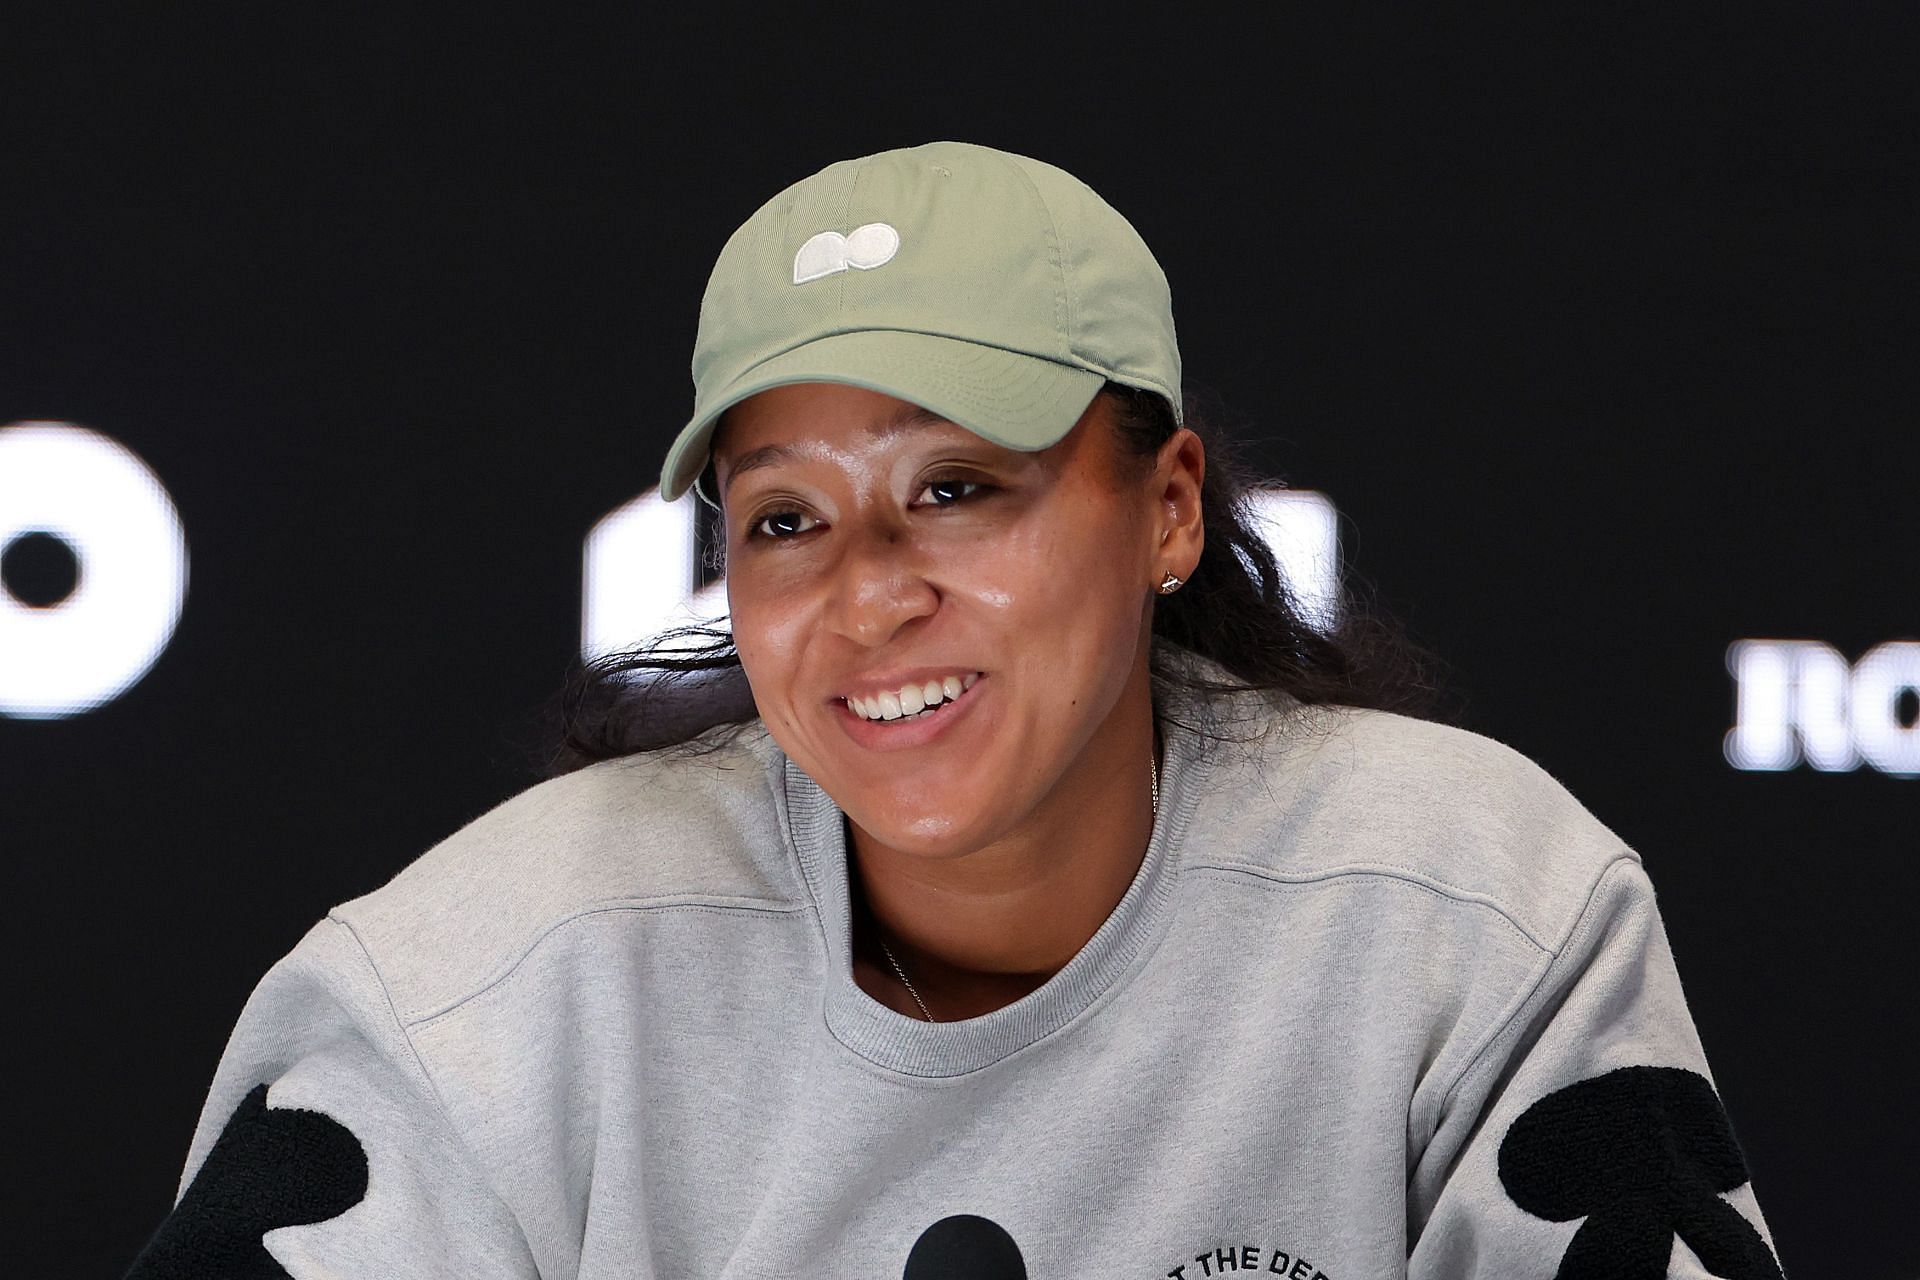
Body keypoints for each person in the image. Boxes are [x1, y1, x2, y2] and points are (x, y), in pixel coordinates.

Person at [128, 141, 1784, 1279]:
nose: (864, 591)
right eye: (784, 516)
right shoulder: (467, 991)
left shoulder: (1472, 912)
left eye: (958, 484)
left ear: (1171, 508)